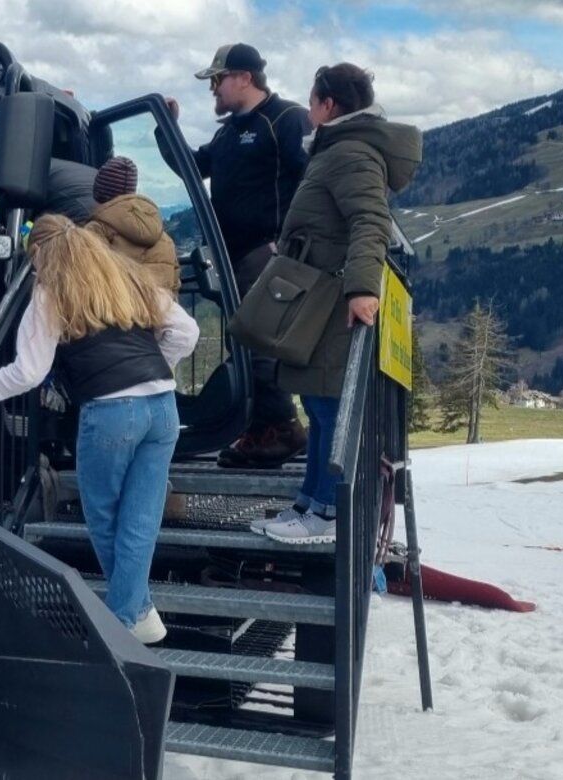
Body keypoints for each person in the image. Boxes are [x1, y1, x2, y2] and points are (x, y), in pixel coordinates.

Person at [0, 215, 199, 642]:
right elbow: (187, 330)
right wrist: (157, 368)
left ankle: (124, 620)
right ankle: (138, 614)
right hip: (162, 407)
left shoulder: (50, 293)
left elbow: (28, 372)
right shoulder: (128, 278)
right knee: (141, 517)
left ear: (42, 255)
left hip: (110, 410)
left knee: (104, 516)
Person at [250, 63, 421, 544]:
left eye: (311, 101)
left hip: (333, 301)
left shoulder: (350, 153)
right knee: (318, 404)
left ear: (328, 106)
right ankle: (309, 503)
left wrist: (362, 288)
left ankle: (326, 513)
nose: (307, 112)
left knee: (328, 407)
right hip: (319, 294)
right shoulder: (340, 151)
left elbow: (370, 220)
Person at [166, 42, 312, 469]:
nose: (213, 89)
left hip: (266, 251)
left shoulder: (285, 119)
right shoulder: (227, 133)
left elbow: (310, 177)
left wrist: (286, 242)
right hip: (232, 257)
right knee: (245, 341)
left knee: (260, 341)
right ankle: (261, 428)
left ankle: (282, 428)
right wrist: (168, 129)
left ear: (244, 77)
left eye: (217, 79)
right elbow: (193, 167)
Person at [85, 157, 180, 292]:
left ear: (100, 193)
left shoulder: (96, 231)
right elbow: (174, 287)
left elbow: (85, 282)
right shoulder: (165, 239)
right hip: (161, 311)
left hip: (115, 312)